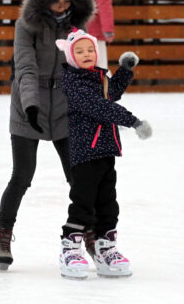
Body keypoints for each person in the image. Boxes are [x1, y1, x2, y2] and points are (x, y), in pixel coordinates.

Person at [0, 0, 96, 271]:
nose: (63, 4)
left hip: (65, 105)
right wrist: (31, 105)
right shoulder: (26, 26)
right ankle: (1, 237)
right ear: (44, 0)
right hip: (28, 103)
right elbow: (24, 67)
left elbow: (85, 65)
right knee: (22, 175)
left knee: (79, 176)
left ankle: (89, 233)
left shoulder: (77, 25)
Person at [53, 28, 152, 279]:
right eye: (80, 51)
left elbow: (111, 94)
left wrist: (125, 71)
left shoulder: (98, 78)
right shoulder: (73, 83)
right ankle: (70, 248)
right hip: (85, 153)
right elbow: (102, 106)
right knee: (83, 202)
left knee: (108, 202)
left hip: (106, 150)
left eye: (90, 50)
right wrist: (133, 121)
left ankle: (105, 246)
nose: (86, 54)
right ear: (71, 56)